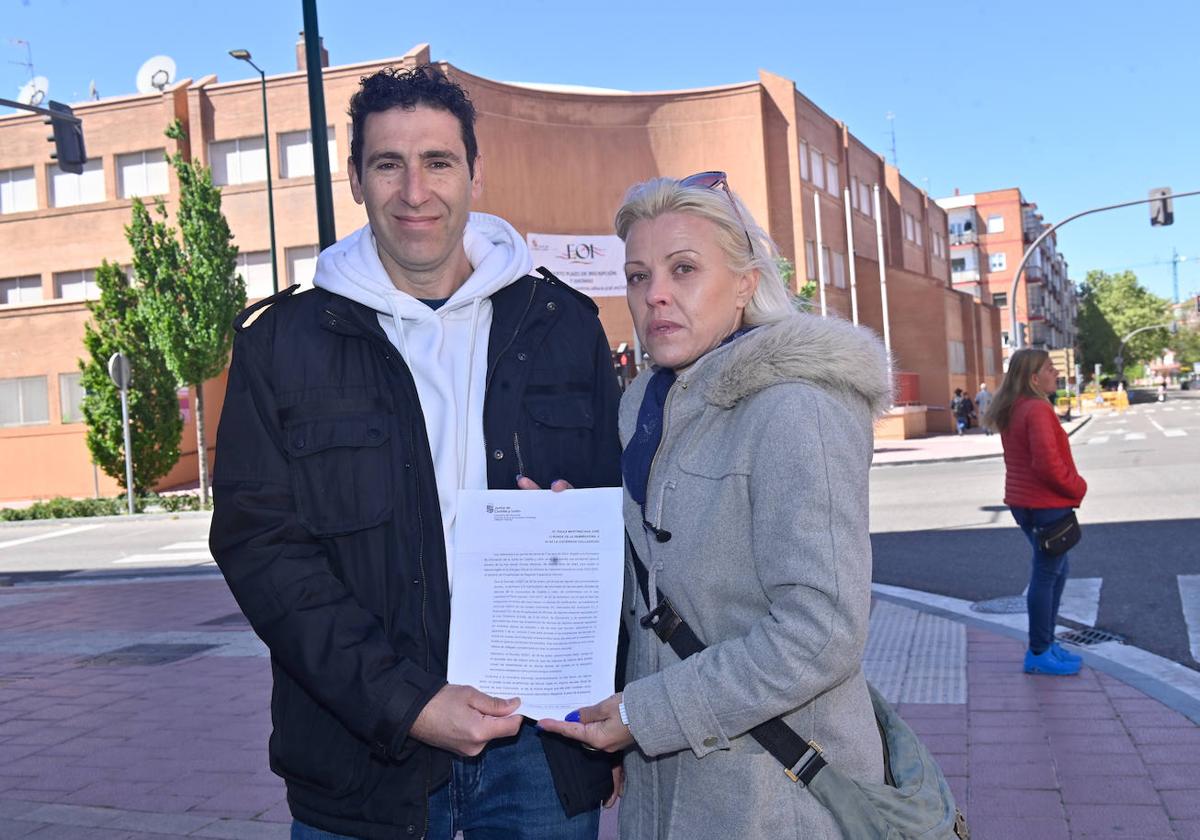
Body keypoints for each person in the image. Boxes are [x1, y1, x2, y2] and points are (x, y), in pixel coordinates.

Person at [209, 65, 621, 840]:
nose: (414, 190)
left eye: (437, 161)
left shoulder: (562, 324)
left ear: (476, 170)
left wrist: (616, 692)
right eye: (387, 164)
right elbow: (261, 548)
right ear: (356, 179)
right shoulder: (281, 345)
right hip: (362, 755)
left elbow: (620, 523)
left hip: (542, 750)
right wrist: (408, 702)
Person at [538, 173, 889, 837]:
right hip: (667, 795)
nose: (656, 295)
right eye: (638, 276)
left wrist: (649, 713)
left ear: (746, 282)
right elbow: (666, 581)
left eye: (684, 269)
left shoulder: (798, 407)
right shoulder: (650, 409)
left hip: (775, 804)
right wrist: (571, 533)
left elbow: (823, 631)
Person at [982, 349, 1087, 676]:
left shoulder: (1014, 408)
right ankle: (1040, 651)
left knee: (1057, 571)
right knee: (1046, 575)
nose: (1056, 373)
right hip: (1045, 504)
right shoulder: (1038, 409)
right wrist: (1078, 487)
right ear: (1032, 377)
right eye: (1050, 369)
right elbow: (1047, 464)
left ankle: (1045, 644)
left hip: (1024, 504)